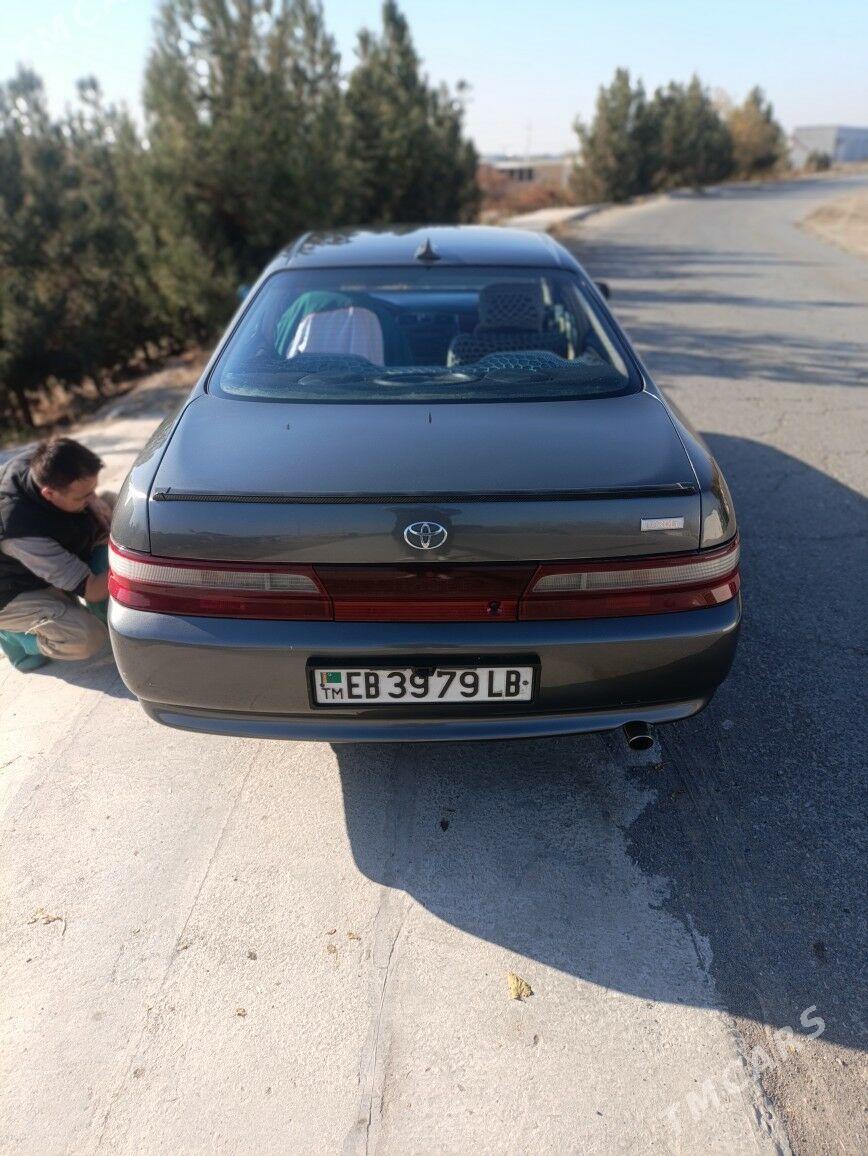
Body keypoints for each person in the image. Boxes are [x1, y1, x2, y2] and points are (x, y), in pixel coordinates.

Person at [0, 438, 114, 671]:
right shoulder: (20, 531)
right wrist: (135, 568)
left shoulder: (43, 462)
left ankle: (99, 608)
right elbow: (92, 589)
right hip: (11, 591)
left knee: (116, 506)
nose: (92, 498)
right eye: (83, 496)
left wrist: (93, 502)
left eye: (91, 490)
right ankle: (15, 637)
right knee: (87, 637)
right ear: (49, 493)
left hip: (34, 564)